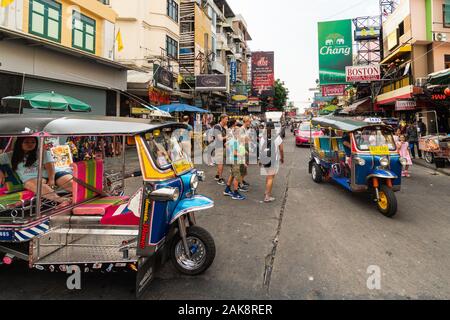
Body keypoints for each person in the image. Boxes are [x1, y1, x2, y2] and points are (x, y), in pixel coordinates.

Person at [0, 137, 72, 207]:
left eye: (33, 142)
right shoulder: (9, 156)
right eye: (26, 142)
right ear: (19, 143)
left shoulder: (41, 152)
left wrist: (51, 180)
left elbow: (50, 166)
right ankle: (62, 200)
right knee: (32, 183)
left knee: (72, 184)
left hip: (54, 174)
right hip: (33, 180)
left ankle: (74, 199)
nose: (30, 144)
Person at [260, 122, 284, 203]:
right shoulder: (277, 137)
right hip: (273, 160)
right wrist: (282, 158)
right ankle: (267, 196)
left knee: (268, 176)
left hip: (264, 159)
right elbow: (281, 149)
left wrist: (260, 159)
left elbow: (260, 149)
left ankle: (266, 191)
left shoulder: (263, 137)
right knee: (271, 177)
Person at [223, 127, 246, 200]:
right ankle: (235, 193)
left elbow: (225, 144)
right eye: (239, 132)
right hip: (235, 160)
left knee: (232, 174)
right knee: (236, 176)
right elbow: (235, 153)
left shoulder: (232, 140)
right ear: (236, 133)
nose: (240, 134)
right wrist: (242, 154)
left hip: (231, 160)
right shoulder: (235, 141)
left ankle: (227, 189)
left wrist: (229, 150)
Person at [213, 114, 229, 185]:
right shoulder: (217, 127)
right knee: (220, 163)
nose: (227, 120)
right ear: (222, 119)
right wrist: (227, 136)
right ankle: (220, 178)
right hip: (218, 147)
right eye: (226, 119)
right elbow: (220, 138)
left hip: (222, 146)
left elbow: (225, 137)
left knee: (220, 162)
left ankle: (217, 175)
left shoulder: (223, 127)